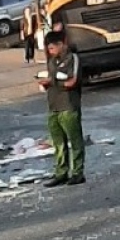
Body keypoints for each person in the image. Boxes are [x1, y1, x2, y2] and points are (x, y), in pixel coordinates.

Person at [38, 29, 84, 187]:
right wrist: (45, 83)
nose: (50, 52)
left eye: (52, 48)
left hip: (68, 105)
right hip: (53, 105)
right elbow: (51, 80)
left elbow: (72, 82)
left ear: (61, 44)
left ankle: (78, 172)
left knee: (75, 141)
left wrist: (53, 83)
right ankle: (61, 172)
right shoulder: (51, 62)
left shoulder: (72, 58)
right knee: (58, 143)